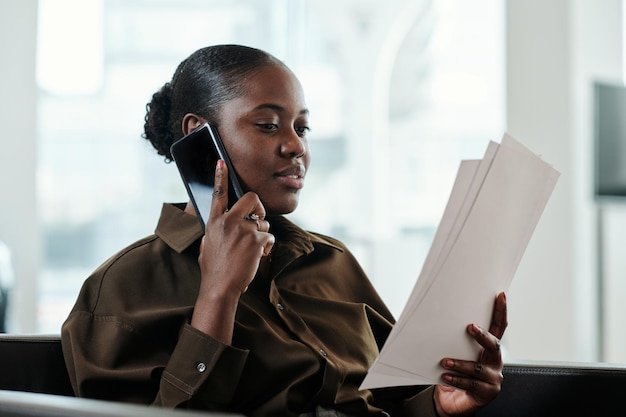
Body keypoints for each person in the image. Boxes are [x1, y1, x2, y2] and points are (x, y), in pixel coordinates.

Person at [61, 44, 507, 417]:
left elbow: (393, 403)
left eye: (302, 127)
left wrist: (439, 404)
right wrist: (218, 295)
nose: (296, 146)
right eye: (268, 125)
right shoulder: (122, 289)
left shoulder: (331, 262)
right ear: (200, 136)